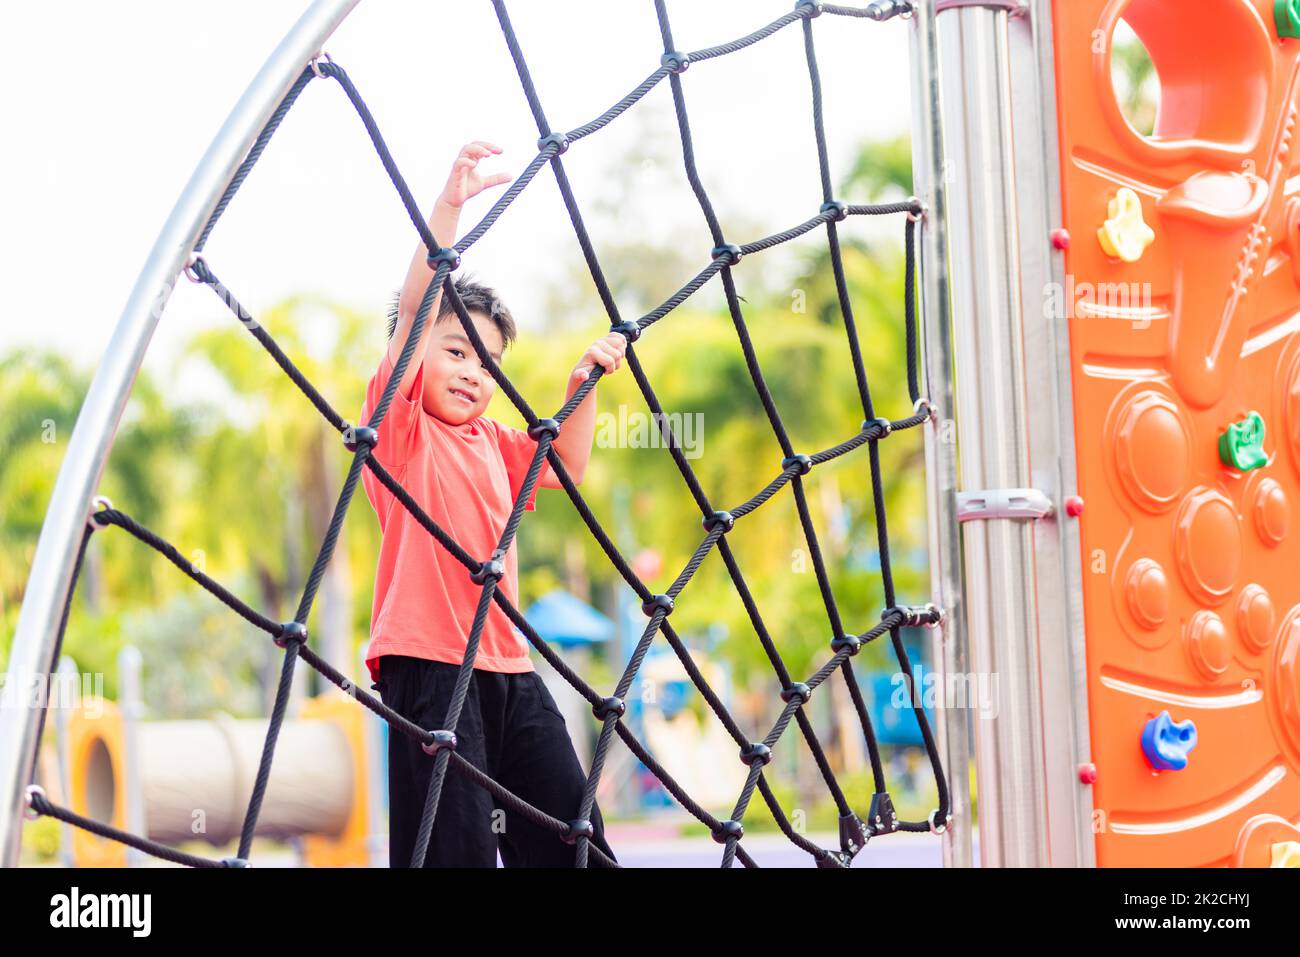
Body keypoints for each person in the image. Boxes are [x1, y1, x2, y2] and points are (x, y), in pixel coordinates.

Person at [358, 140, 625, 867]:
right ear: (416, 353)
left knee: (570, 832)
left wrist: (583, 384)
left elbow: (566, 460)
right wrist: (450, 204)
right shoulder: (400, 425)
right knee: (455, 847)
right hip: (429, 667)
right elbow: (417, 303)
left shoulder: (497, 440)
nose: (473, 372)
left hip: (508, 664)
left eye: (488, 363)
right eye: (456, 351)